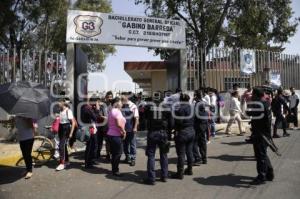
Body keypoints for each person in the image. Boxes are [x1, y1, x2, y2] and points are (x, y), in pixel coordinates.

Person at [246, 88, 274, 185]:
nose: (252, 96)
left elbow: (248, 112)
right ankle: (269, 174)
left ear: (257, 95)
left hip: (260, 134)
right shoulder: (266, 103)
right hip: (265, 133)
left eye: (253, 95)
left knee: (260, 156)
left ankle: (261, 176)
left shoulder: (259, 105)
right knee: (264, 154)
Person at [143, 94, 169, 185]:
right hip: (163, 132)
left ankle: (151, 178)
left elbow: (145, 118)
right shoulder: (166, 106)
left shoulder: (148, 107)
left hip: (152, 132)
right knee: (164, 154)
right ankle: (164, 176)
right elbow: (171, 121)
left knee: (151, 155)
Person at [172, 93, 195, 179]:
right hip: (191, 131)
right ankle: (190, 169)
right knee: (189, 151)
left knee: (181, 154)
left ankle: (180, 173)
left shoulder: (180, 109)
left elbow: (178, 122)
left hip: (182, 132)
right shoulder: (192, 107)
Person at [107, 97, 126, 176]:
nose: (122, 103)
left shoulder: (112, 111)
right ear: (117, 103)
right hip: (116, 135)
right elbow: (118, 124)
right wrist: (123, 131)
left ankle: (114, 169)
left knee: (114, 153)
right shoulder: (117, 111)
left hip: (111, 134)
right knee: (118, 153)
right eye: (121, 102)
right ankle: (115, 170)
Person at [56, 99, 76, 171]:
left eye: (59, 102)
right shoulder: (61, 111)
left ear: (63, 103)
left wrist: (71, 133)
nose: (58, 104)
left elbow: (73, 123)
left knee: (61, 145)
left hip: (66, 128)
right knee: (63, 145)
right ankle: (66, 161)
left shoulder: (68, 111)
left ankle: (62, 163)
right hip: (61, 127)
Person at [121, 92, 139, 166]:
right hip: (123, 129)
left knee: (132, 144)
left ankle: (133, 158)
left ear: (126, 97)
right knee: (125, 144)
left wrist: (135, 127)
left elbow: (136, 117)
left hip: (131, 128)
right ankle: (127, 157)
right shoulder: (120, 105)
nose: (121, 98)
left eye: (123, 97)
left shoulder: (133, 105)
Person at [82, 98, 98, 169]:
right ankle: (88, 163)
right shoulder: (88, 109)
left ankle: (90, 161)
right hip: (89, 130)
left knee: (93, 145)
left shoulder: (85, 108)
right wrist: (97, 110)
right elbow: (95, 118)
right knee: (90, 146)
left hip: (89, 129)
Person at [193, 90, 209, 165]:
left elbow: (196, 115)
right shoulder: (204, 102)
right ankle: (204, 158)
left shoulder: (197, 104)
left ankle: (197, 158)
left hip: (199, 125)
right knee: (202, 142)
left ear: (196, 96)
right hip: (204, 124)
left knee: (194, 142)